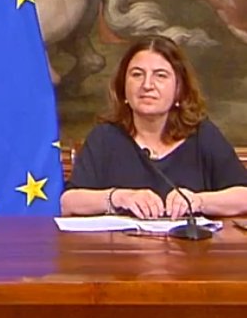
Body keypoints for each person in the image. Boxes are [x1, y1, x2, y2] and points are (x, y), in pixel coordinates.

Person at [61, 36, 247, 219]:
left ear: (179, 89)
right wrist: (118, 197)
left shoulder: (202, 135)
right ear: (123, 86)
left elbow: (243, 195)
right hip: (120, 240)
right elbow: (68, 202)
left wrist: (198, 201)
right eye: (137, 74)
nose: (147, 85)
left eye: (160, 75)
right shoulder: (104, 137)